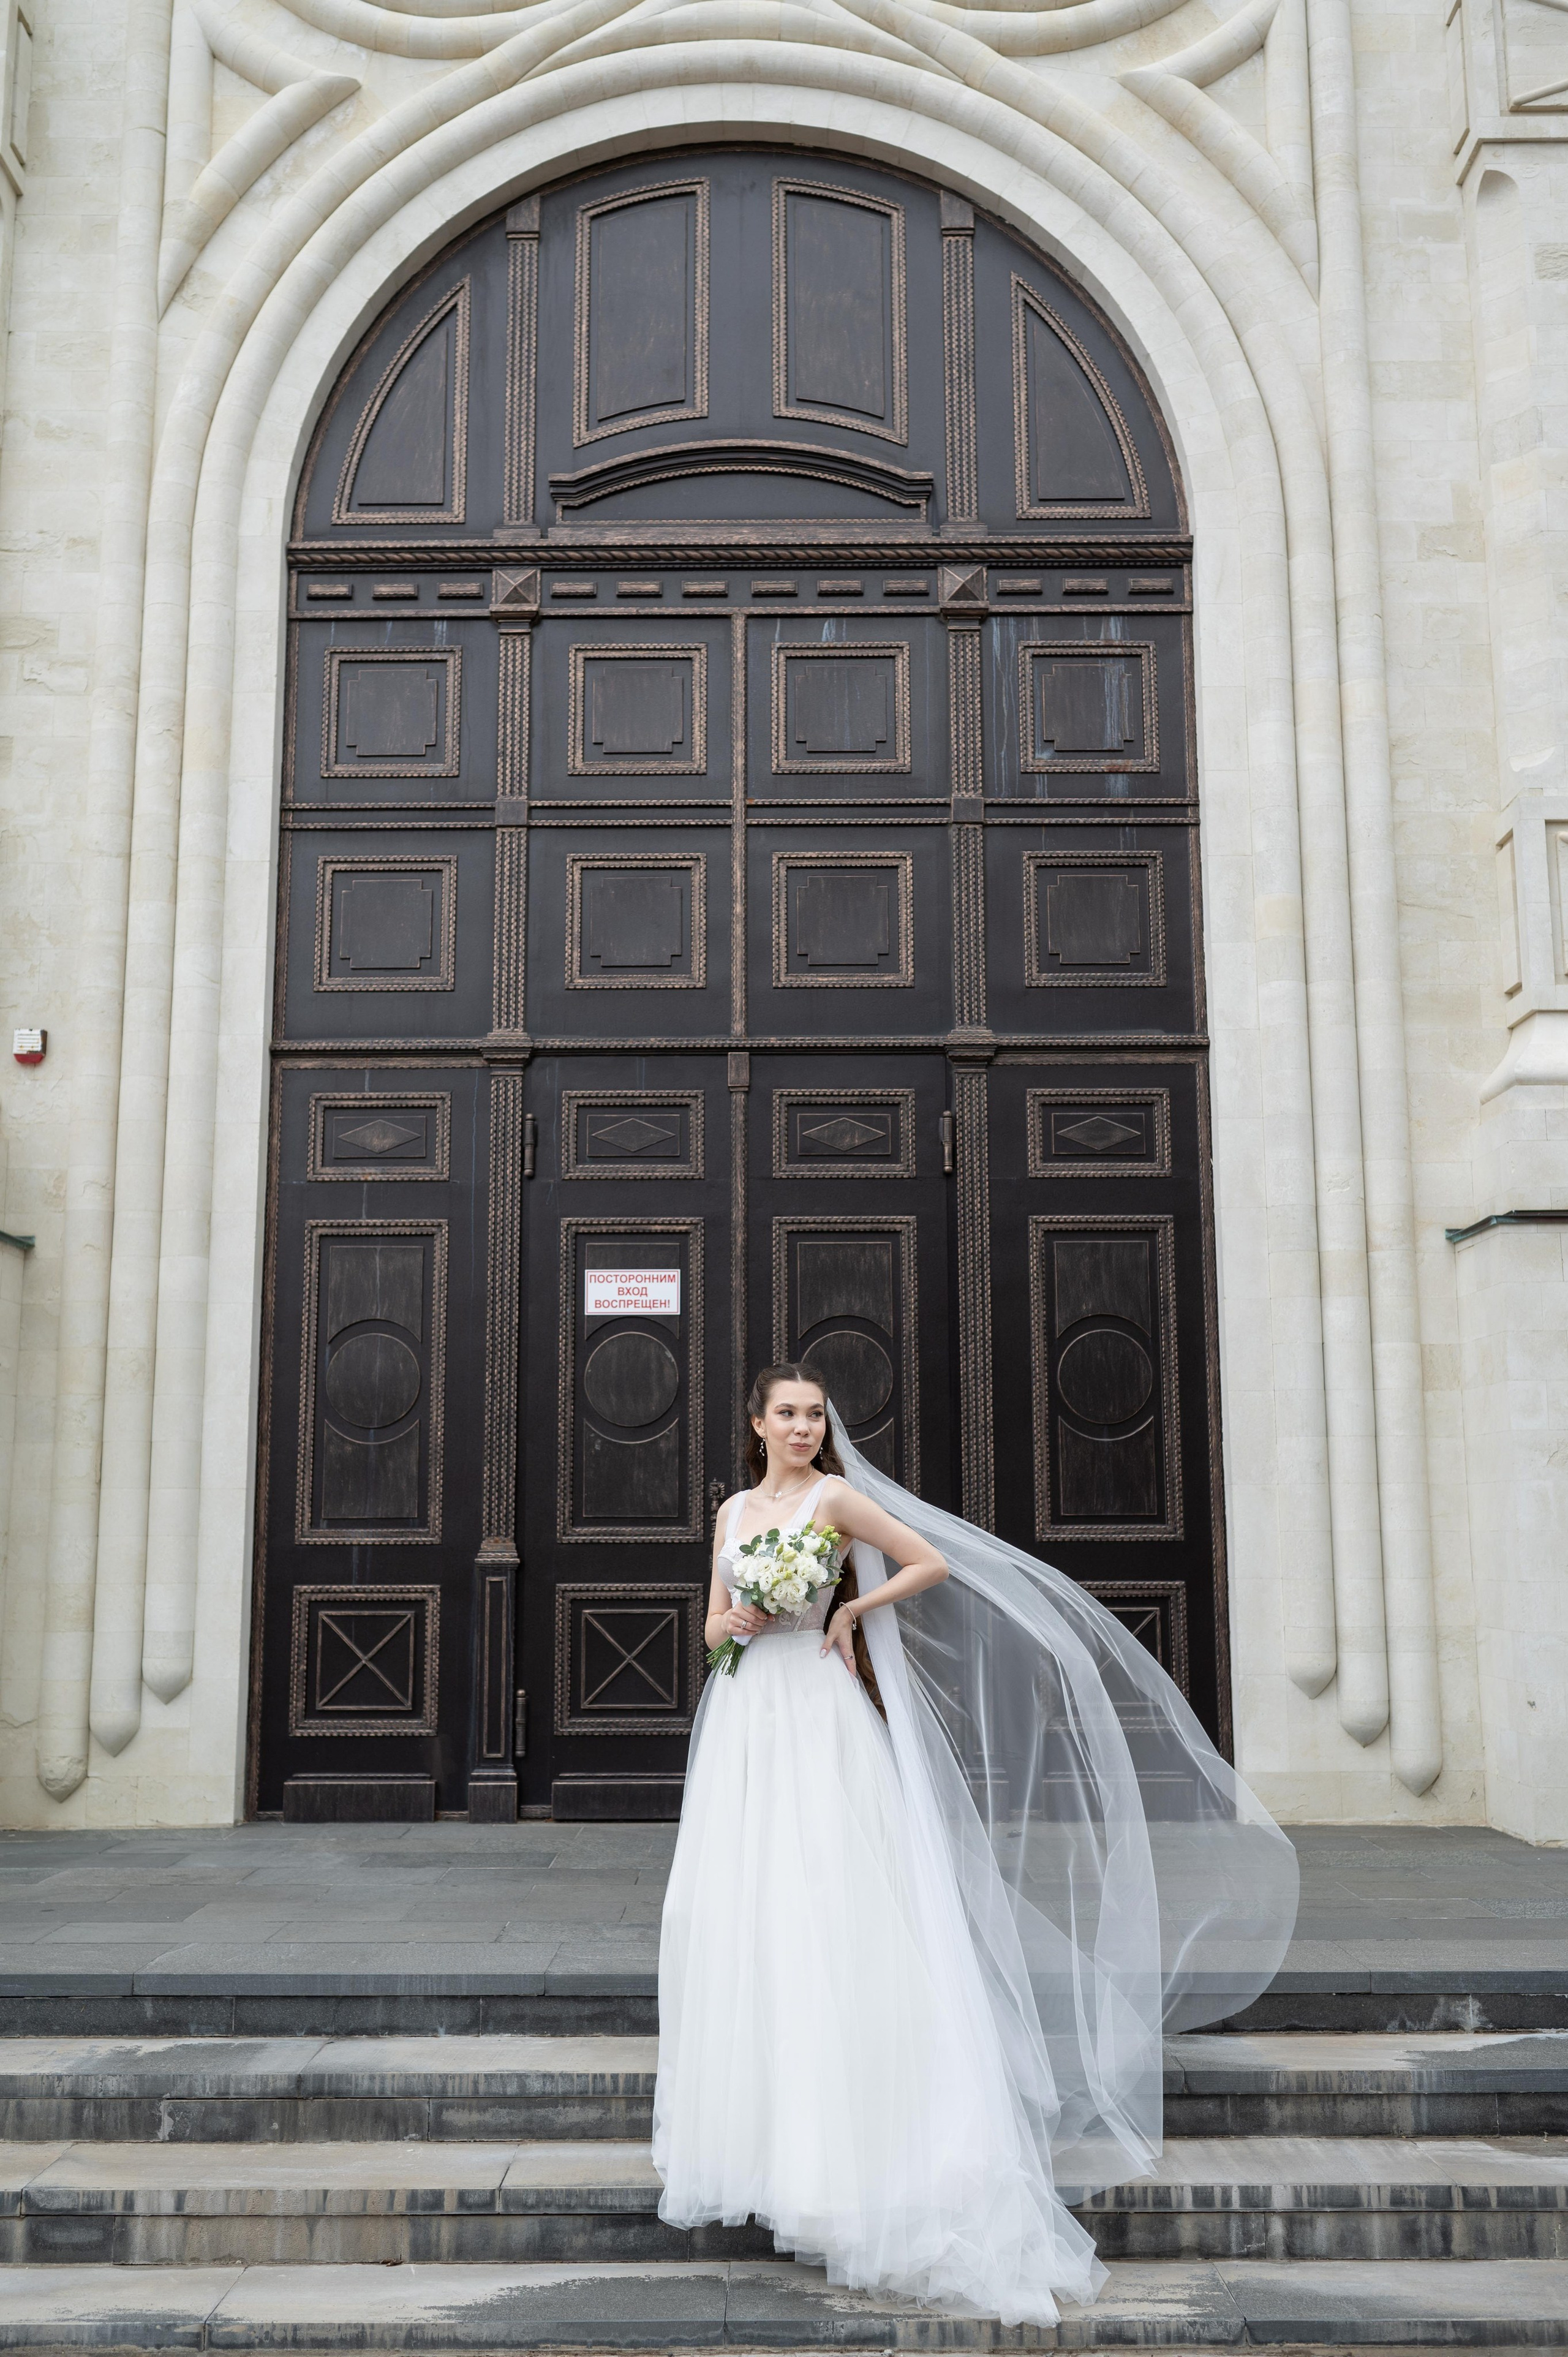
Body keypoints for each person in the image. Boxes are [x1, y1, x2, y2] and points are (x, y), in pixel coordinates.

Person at [652, 1365, 1298, 2326]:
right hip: (749, 1718)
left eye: (815, 1414)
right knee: (748, 1910)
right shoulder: (734, 1513)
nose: (803, 1426)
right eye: (787, 1413)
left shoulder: (836, 1499)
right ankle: (773, 2149)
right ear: (756, 1423)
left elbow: (927, 1563)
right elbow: (712, 1630)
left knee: (834, 1902)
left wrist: (852, 1610)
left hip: (820, 1714)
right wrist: (733, 1622)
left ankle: (859, 2154)